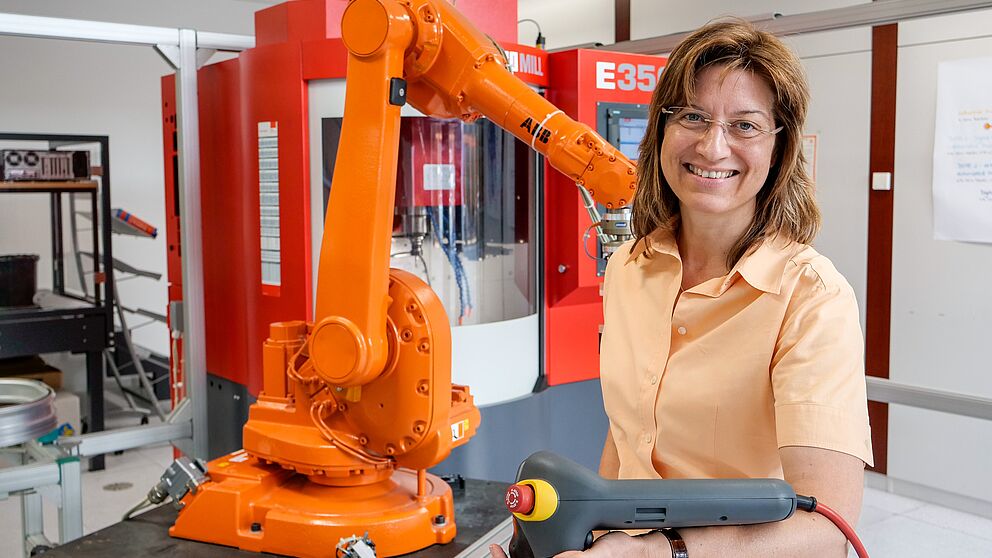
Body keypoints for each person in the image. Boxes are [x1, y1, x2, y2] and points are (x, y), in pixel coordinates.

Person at [492, 19, 873, 558]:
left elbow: (827, 527)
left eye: (745, 125)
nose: (713, 146)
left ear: (778, 147)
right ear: (662, 131)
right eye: (692, 116)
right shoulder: (631, 266)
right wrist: (583, 538)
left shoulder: (811, 299)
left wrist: (661, 552)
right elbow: (626, 440)